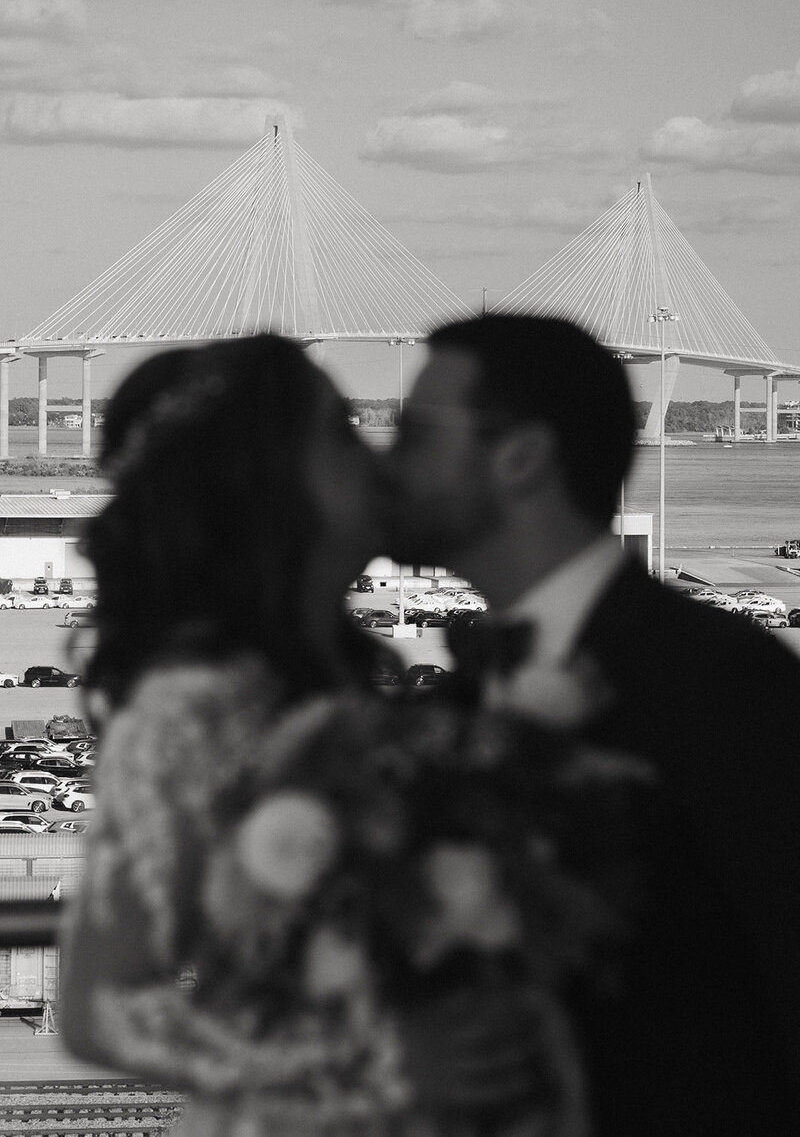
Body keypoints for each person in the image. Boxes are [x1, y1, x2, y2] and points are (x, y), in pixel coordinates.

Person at [382, 311, 800, 1136]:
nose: (385, 465)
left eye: (415, 435)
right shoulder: (462, 696)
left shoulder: (723, 684)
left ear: (522, 456)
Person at [59, 332, 395, 1135]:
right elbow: (98, 1006)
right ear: (268, 480)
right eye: (340, 429)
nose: (376, 456)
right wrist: (366, 1056)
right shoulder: (193, 708)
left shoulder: (334, 679)